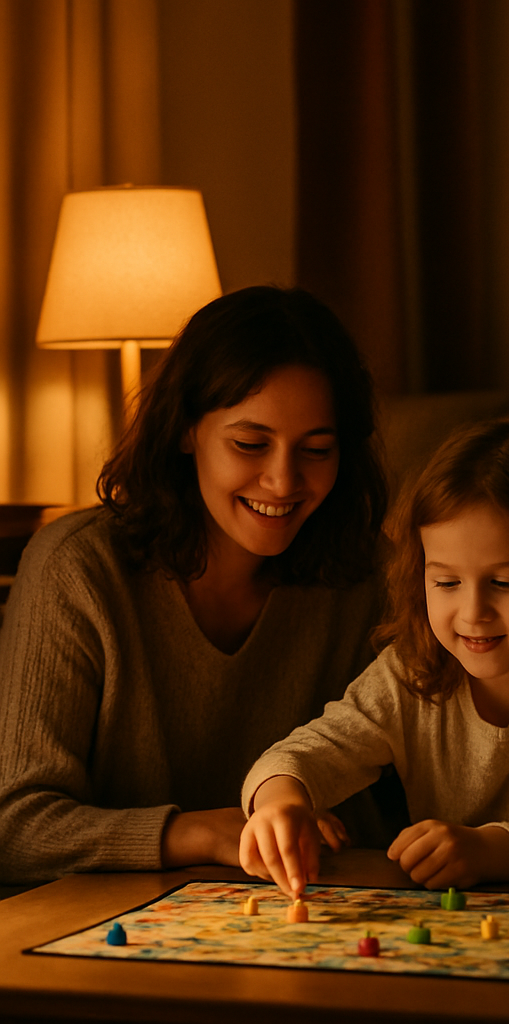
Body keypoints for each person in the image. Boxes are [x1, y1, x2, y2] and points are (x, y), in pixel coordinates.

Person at [0, 286, 388, 884]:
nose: (284, 480)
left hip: (313, 914)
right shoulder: (77, 570)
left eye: (317, 449)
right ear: (185, 430)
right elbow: (17, 827)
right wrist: (202, 832)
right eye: (250, 444)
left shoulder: (364, 578)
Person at [239, 416, 509, 897]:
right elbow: (307, 752)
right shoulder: (412, 668)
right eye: (447, 582)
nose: (473, 612)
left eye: (504, 583)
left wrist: (486, 851)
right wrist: (280, 800)